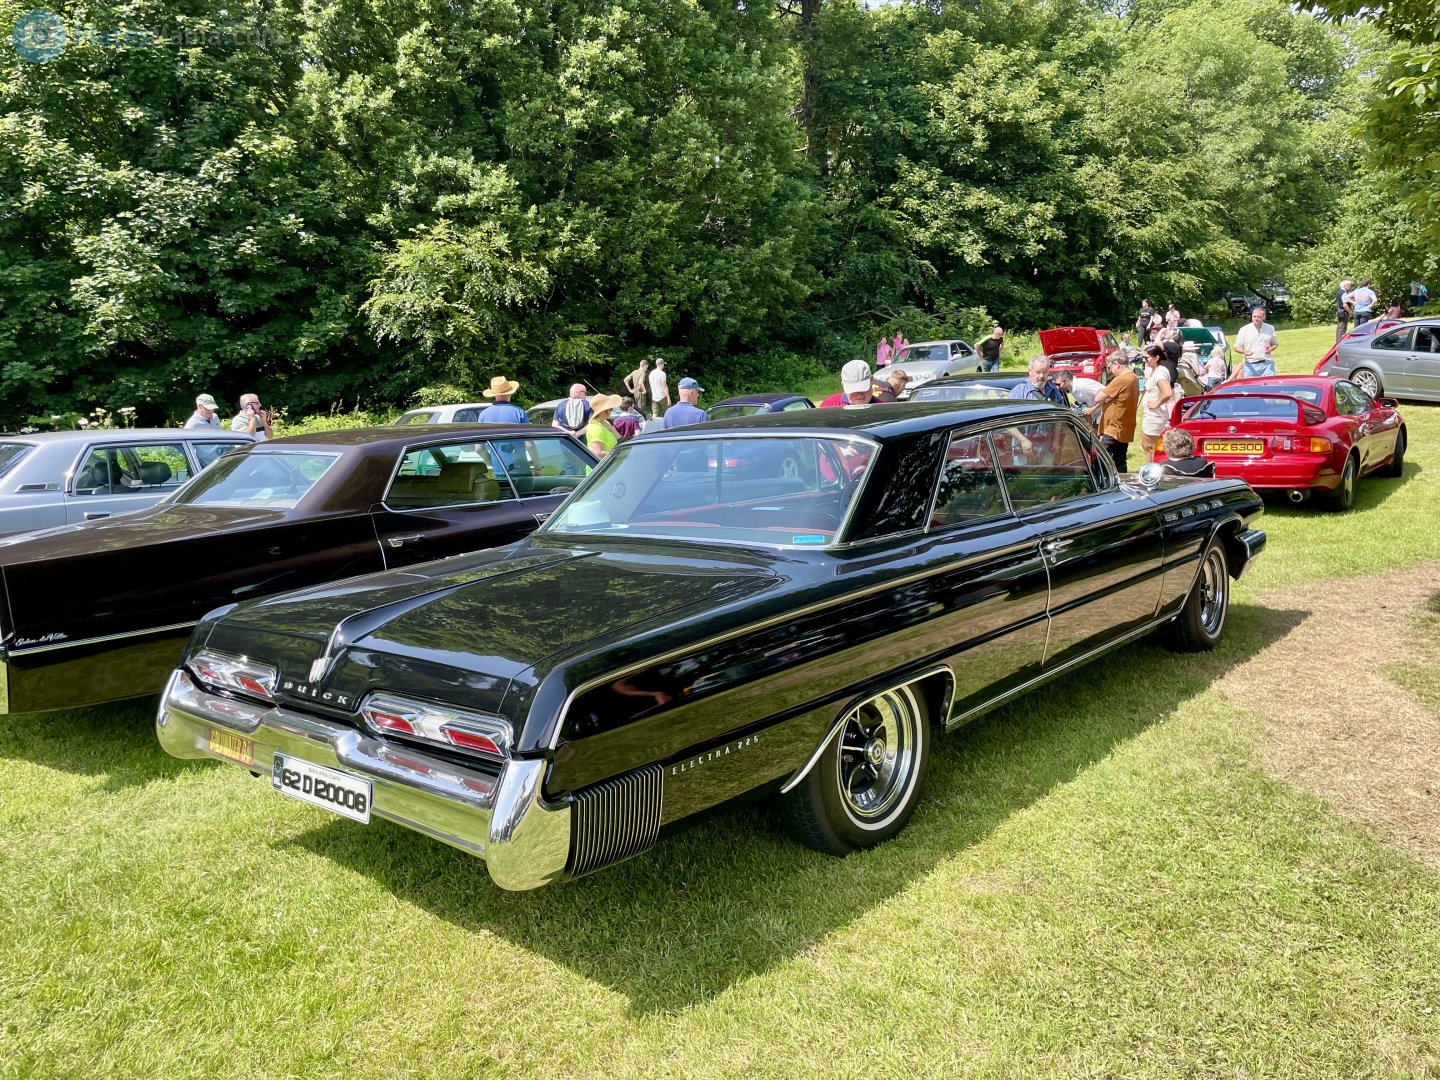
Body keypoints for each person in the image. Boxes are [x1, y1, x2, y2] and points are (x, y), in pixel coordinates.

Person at [1084, 355, 1138, 473]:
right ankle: (1121, 482)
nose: (1110, 371)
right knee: (1120, 460)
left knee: (1098, 457)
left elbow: (1098, 397)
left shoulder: (1121, 379)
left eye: (1109, 367)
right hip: (1125, 426)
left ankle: (1096, 481)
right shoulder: (1134, 377)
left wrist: (1106, 397)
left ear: (1117, 364)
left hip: (1114, 427)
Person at [1140, 348, 1174, 463]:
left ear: (1156, 358)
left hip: (1155, 415)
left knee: (1149, 447)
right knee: (1145, 445)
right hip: (1150, 413)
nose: (1144, 360)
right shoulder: (1154, 371)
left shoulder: (1160, 373)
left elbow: (1168, 393)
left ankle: (1150, 473)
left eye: (1146, 358)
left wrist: (1157, 403)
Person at [1234, 306, 1278, 378]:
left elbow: (1275, 344)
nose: (1256, 319)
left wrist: (1271, 349)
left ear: (1264, 317)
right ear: (1252, 316)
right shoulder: (1244, 330)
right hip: (1250, 365)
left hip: (1267, 363)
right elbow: (1236, 347)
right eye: (1254, 316)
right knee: (1251, 388)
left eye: (1259, 317)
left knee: (1268, 388)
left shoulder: (1270, 328)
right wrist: (1244, 351)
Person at [585, 393, 623, 458]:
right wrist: (617, 455)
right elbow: (597, 453)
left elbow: (620, 439)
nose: (611, 411)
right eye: (610, 409)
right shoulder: (595, 428)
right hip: (603, 466)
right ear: (603, 411)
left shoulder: (605, 422)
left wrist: (612, 429)